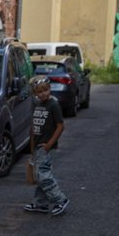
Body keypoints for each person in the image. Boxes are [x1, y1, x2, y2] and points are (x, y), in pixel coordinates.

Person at [24, 78, 69, 216]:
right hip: (37, 146)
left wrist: (49, 144)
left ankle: (61, 200)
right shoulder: (37, 105)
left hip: (46, 147)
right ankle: (41, 204)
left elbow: (60, 126)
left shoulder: (53, 105)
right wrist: (32, 149)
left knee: (43, 175)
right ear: (35, 93)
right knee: (40, 175)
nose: (43, 93)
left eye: (46, 90)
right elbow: (33, 128)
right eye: (39, 91)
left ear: (50, 89)